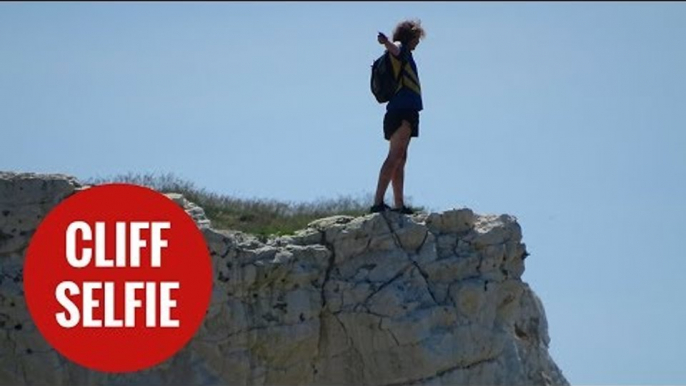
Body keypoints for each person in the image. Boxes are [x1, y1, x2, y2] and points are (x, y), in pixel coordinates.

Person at [370, 19, 425, 215]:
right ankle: (378, 203)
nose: (418, 42)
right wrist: (386, 42)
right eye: (417, 38)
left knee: (401, 158)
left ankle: (399, 205)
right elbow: (395, 48)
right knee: (395, 156)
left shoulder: (407, 54)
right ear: (410, 37)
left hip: (403, 111)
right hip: (402, 111)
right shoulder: (401, 49)